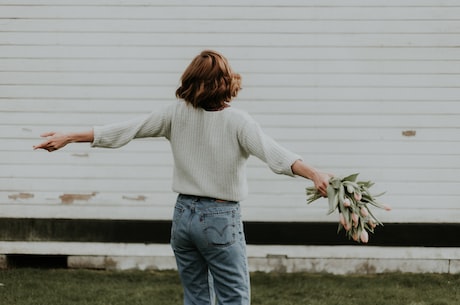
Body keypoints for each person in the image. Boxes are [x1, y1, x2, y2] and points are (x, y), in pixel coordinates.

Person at [34, 50, 331, 305]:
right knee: (234, 298)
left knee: (196, 298)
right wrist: (314, 173)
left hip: (183, 217)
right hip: (219, 219)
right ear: (227, 83)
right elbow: (276, 156)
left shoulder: (175, 114)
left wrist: (70, 136)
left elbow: (125, 130)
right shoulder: (238, 121)